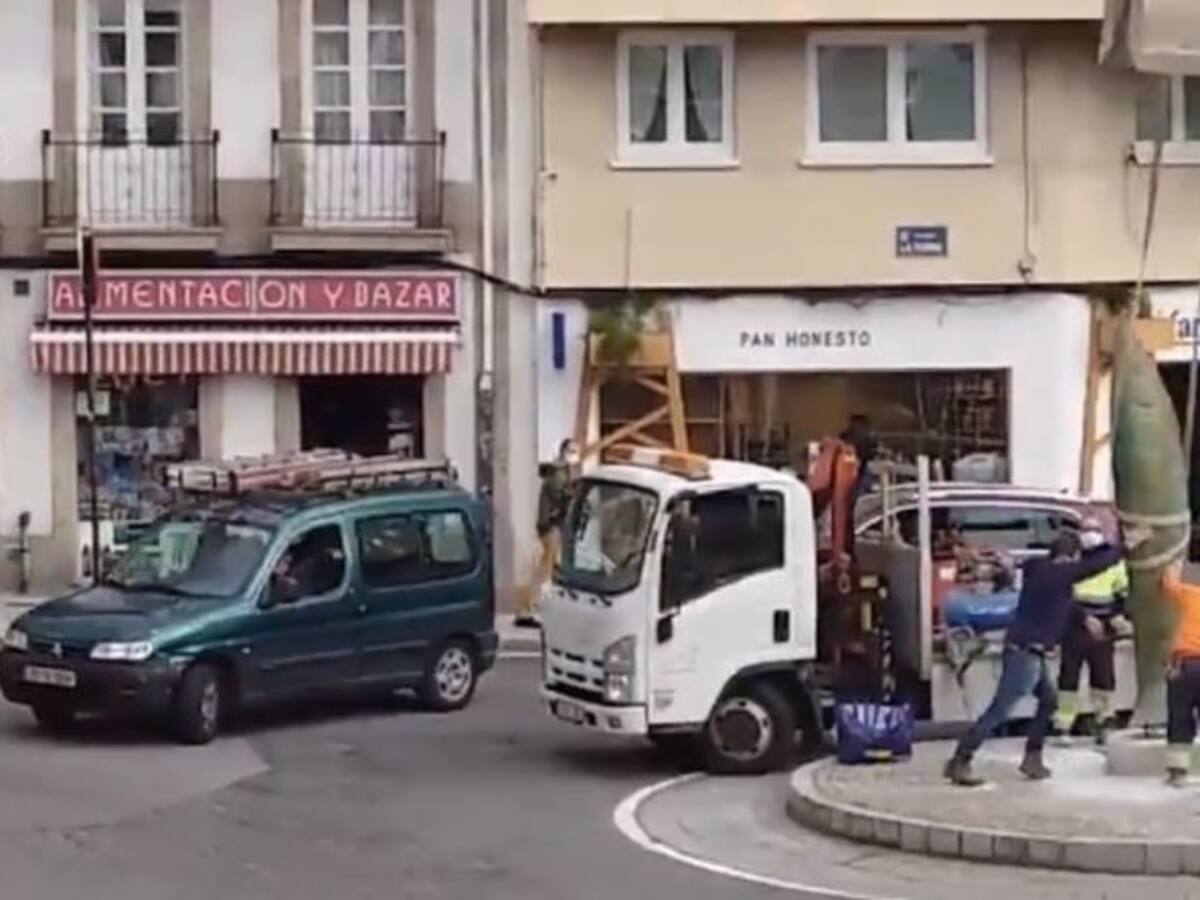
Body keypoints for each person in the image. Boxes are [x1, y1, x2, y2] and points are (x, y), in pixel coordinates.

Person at [944, 530, 1124, 787]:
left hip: (1028, 649)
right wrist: (1128, 546)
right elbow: (1096, 565)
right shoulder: (1061, 574)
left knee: (1049, 701)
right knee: (1000, 710)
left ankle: (1032, 757)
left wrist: (1084, 617)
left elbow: (1061, 600)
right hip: (1026, 652)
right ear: (1072, 556)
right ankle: (961, 759)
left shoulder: (1039, 570)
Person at [1053, 521, 1132, 746]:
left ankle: (1103, 723)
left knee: (1103, 677)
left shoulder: (1114, 563)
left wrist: (1117, 617)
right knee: (1069, 677)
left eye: (1094, 529)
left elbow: (1122, 594)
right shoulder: (1073, 559)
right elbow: (1063, 596)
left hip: (1103, 628)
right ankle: (1063, 727)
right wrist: (1084, 618)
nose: (1090, 534)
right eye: (1086, 529)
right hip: (1075, 626)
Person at [515, 439, 579, 629]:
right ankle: (528, 609)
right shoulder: (559, 474)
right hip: (552, 524)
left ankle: (537, 607)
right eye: (573, 451)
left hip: (550, 524)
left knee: (552, 567)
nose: (575, 455)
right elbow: (562, 497)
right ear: (564, 451)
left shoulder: (559, 472)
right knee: (545, 569)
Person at [1160, 560, 1200, 787]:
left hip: (1184, 664)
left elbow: (1168, 586)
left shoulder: (1192, 594)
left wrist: (1173, 565)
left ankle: (1178, 773)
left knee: (1179, 717)